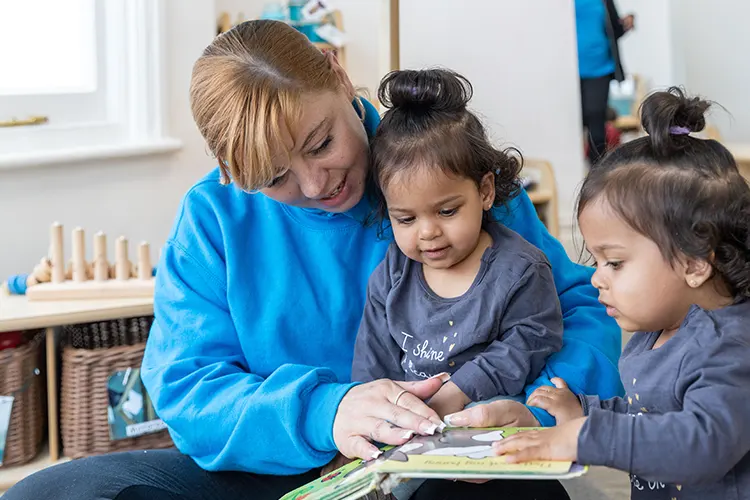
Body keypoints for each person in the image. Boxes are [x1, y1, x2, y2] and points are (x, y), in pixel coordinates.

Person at [3, 20, 621, 500]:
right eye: (275, 178)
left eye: (321, 142)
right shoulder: (214, 217)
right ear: (233, 174)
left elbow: (577, 309)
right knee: (54, 490)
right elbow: (189, 390)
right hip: (292, 466)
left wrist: (538, 410)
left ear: (335, 70)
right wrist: (328, 412)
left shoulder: (440, 168)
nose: (317, 183)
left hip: (453, 459)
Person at [494, 87, 750, 499]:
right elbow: (649, 415)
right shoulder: (656, 331)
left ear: (695, 262)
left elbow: (702, 443)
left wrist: (584, 435)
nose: (597, 278)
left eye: (614, 262)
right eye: (596, 261)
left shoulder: (731, 348)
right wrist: (586, 412)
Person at [352, 67, 565, 500]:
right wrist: (380, 417)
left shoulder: (520, 268)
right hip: (415, 444)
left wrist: (457, 391)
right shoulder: (393, 274)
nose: (427, 233)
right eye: (406, 219)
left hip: (492, 444)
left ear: (485, 191)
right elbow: (371, 363)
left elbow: (530, 341)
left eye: (447, 211)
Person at [575, 0, 634, 165]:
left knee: (597, 124)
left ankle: (597, 174)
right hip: (569, 73)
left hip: (600, 69)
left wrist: (627, 23)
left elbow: (614, 30)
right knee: (577, 122)